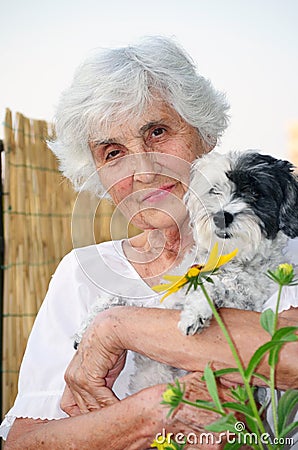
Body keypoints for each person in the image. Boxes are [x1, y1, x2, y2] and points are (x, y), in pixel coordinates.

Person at [1, 36, 297, 450]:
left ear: (204, 134)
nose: (142, 170)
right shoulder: (82, 274)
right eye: (112, 152)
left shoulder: (286, 249)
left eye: (157, 132)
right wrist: (148, 416)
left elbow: (292, 357)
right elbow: (23, 443)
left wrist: (116, 327)